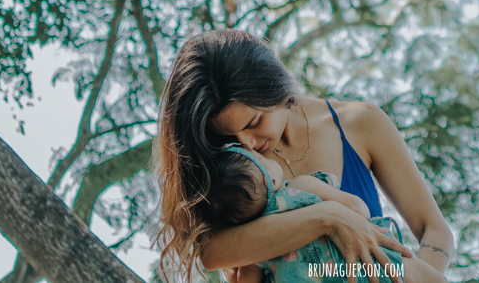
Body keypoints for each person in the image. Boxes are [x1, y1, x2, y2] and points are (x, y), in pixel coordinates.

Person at [153, 29, 455, 283]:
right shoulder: (235, 169)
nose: (245, 142)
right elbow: (213, 252)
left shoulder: (361, 123)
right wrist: (328, 216)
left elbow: (435, 230)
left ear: (275, 86)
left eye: (254, 122)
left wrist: (401, 275)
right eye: (228, 136)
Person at [202, 143, 445, 283]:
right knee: (415, 272)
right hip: (365, 268)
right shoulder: (301, 187)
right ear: (273, 180)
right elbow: (357, 209)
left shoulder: (254, 249)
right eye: (259, 158)